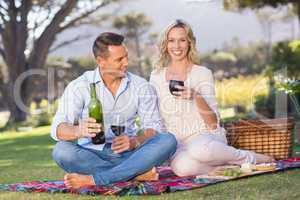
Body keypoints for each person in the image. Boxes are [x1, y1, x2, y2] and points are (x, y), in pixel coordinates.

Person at [51, 32, 177, 188]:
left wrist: (135, 141)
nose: (126, 63)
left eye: (126, 57)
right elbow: (57, 129)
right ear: (100, 61)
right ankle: (134, 174)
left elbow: (154, 128)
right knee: (61, 151)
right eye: (119, 60)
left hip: (131, 154)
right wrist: (78, 130)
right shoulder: (79, 86)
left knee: (168, 140)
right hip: (92, 154)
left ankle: (95, 179)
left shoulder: (141, 86)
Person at [149, 19, 273, 177]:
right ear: (165, 44)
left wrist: (196, 96)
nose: (177, 46)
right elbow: (154, 115)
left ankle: (249, 158)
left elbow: (213, 123)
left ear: (190, 43)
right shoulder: (156, 76)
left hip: (205, 137)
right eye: (171, 40)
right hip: (177, 143)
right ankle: (220, 169)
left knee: (200, 150)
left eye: (182, 40)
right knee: (182, 168)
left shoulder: (202, 73)